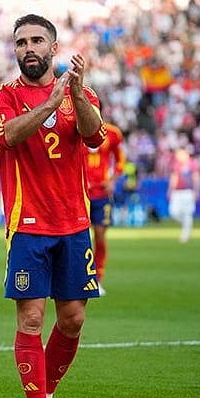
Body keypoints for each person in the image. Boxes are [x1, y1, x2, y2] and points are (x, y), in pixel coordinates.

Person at [0, 14, 105, 398]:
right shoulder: (3, 95)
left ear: (53, 48)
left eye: (37, 41)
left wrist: (74, 96)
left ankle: (45, 395)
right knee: (31, 317)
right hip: (28, 224)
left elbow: (94, 137)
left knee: (71, 319)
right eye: (21, 42)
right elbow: (7, 136)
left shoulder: (82, 92)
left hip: (74, 223)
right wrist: (51, 103)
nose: (28, 48)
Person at [84, 121, 124, 295]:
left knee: (99, 236)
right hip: (81, 193)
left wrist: (113, 180)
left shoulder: (112, 133)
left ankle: (97, 279)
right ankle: (82, 277)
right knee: (80, 238)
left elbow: (121, 159)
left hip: (101, 194)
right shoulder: (74, 127)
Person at [167, 146, 200, 243]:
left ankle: (185, 234)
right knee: (174, 212)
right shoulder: (177, 165)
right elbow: (174, 177)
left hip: (188, 191)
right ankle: (186, 225)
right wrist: (170, 190)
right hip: (177, 192)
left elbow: (196, 177)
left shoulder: (192, 164)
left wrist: (197, 190)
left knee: (187, 213)